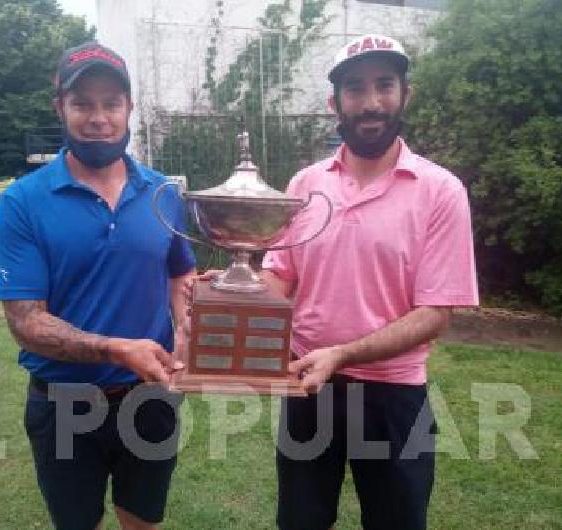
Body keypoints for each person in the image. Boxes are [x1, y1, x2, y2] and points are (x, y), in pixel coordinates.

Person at [192, 33, 479, 529]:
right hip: (307, 387)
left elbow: (436, 312)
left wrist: (342, 355)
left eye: (384, 85)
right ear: (335, 102)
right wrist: (238, 294)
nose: (371, 102)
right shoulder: (306, 186)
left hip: (393, 395)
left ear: (404, 93)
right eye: (354, 88)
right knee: (301, 521)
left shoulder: (440, 190)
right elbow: (283, 274)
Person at [0, 41, 196, 530]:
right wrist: (114, 349)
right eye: (83, 103)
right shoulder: (23, 202)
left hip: (148, 399)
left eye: (112, 102)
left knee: (142, 520)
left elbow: (179, 271)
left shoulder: (163, 194)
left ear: (129, 108)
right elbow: (25, 322)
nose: (99, 117)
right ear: (60, 107)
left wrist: (187, 330)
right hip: (63, 403)